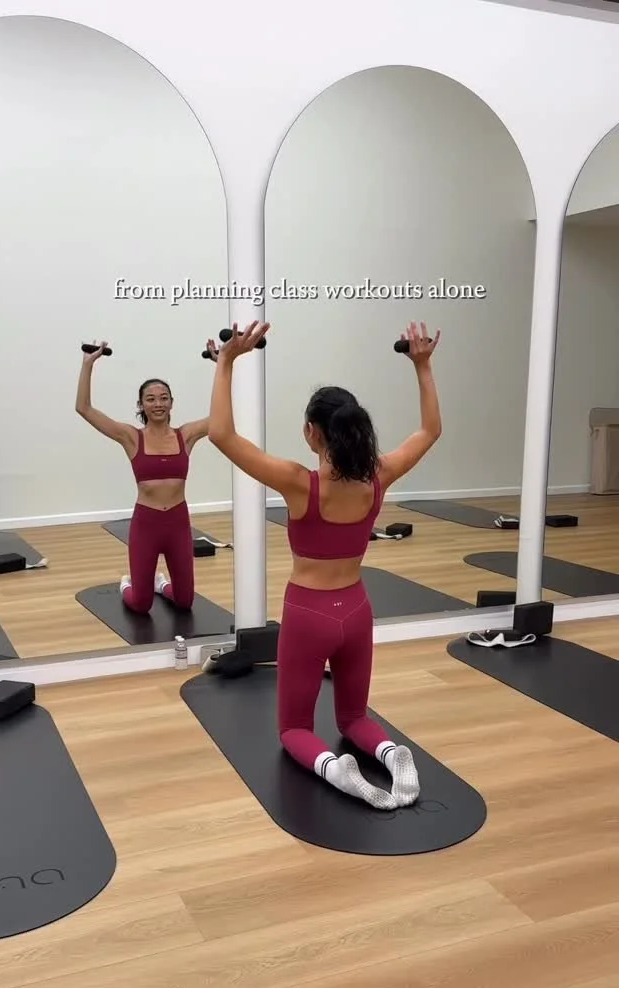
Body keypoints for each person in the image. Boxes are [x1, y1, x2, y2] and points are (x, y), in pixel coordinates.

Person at [207, 319, 441, 810]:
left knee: (294, 728)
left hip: (308, 614)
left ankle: (337, 769)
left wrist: (225, 362)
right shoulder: (379, 476)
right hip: (356, 611)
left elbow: (221, 435)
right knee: (354, 718)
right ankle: (392, 753)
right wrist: (422, 366)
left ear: (312, 433)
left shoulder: (300, 484)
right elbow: (430, 430)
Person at [75, 341, 210, 613]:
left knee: (185, 601)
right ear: (141, 405)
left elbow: (225, 416)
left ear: (172, 403)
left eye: (164, 398)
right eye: (151, 399)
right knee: (140, 604)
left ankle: (162, 585)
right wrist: (88, 364)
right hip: (146, 524)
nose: (158, 403)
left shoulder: (186, 435)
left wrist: (224, 364)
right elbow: (84, 408)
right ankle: (127, 585)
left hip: (178, 523)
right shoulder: (131, 437)